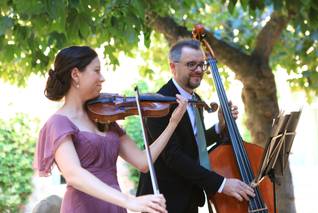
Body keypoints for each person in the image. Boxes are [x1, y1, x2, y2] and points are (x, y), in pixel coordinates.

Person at [33, 46, 188, 213]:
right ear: (75, 74)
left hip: (114, 205)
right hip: (83, 207)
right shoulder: (58, 123)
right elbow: (74, 175)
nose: (102, 78)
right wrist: (129, 201)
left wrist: (172, 123)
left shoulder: (104, 118)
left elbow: (143, 162)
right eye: (96, 71)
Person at [136, 39, 255, 213]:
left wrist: (219, 127)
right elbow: (173, 155)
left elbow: (194, 145)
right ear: (173, 67)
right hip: (164, 201)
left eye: (202, 65)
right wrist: (222, 184)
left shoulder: (195, 100)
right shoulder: (159, 104)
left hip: (189, 199)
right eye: (191, 64)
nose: (199, 70)